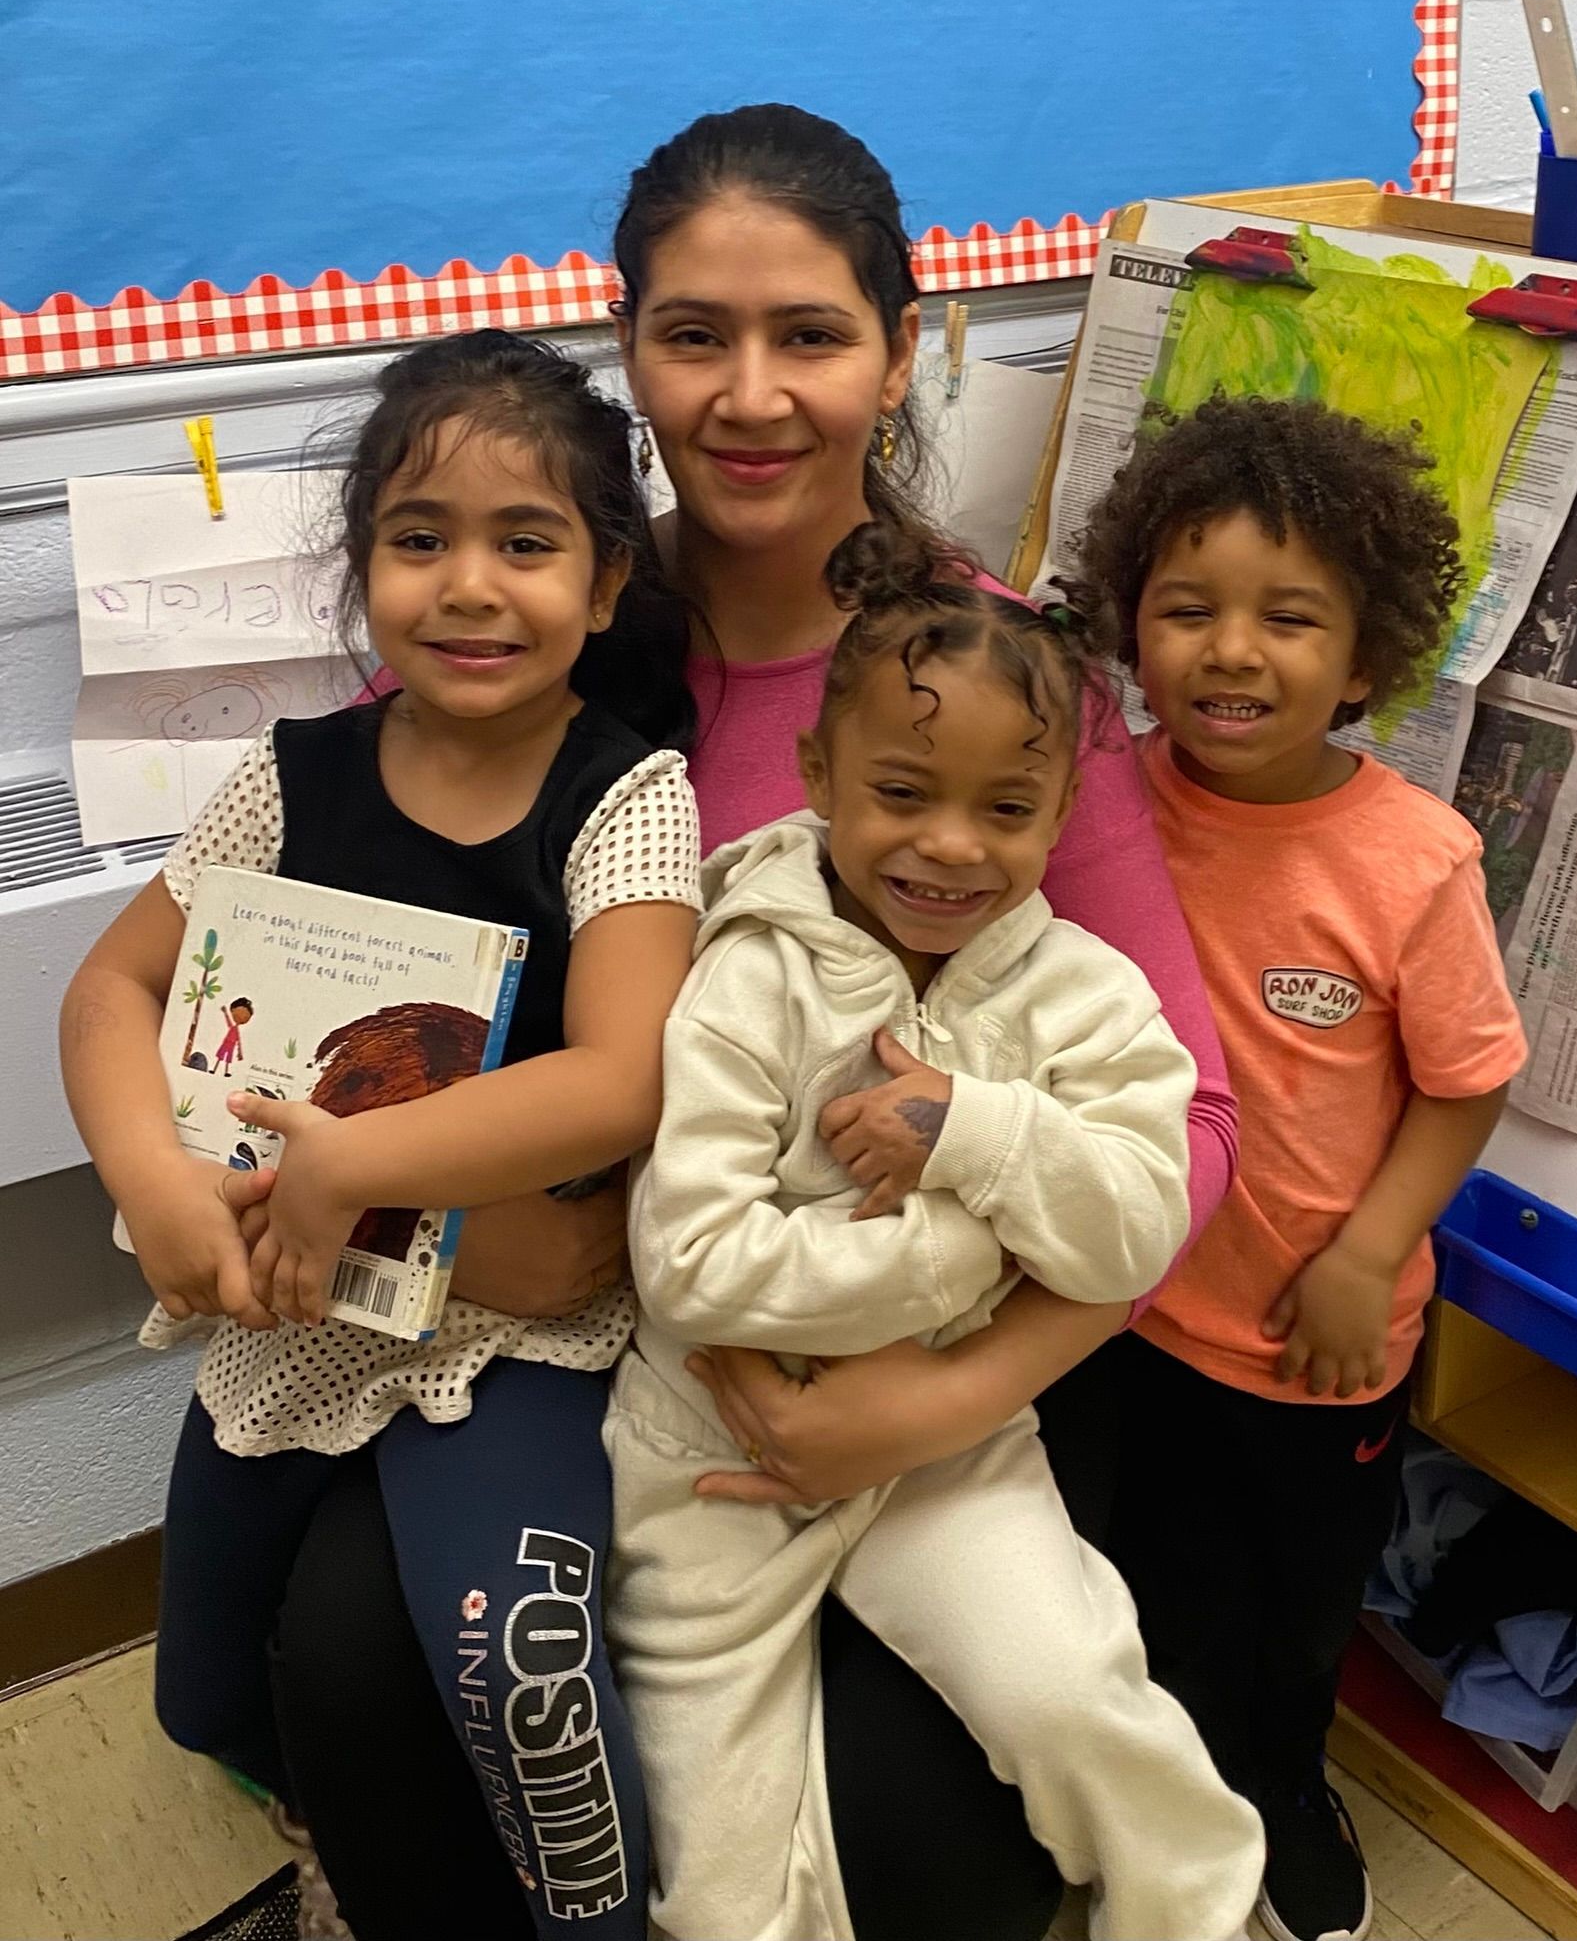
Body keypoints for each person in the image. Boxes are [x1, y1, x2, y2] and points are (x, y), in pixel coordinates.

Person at [229, 105, 1242, 1941]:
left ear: (903, 344)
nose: (750, 393)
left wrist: (934, 1397)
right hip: (558, 1332)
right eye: (693, 333)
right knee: (368, 1678)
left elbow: (1190, 1129)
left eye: (809, 335)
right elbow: (328, 1031)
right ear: (627, 347)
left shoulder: (996, 688)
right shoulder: (516, 620)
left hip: (923, 1360)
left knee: (929, 1836)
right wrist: (465, 1251)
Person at [59, 331, 703, 1941]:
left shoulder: (630, 800)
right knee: (202, 1692)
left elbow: (621, 1077)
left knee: (515, 1677)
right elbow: (110, 990)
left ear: (608, 582)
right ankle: (342, 1829)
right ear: (362, 574)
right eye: (419, 540)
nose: (469, 584)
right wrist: (154, 1179)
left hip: (513, 1335)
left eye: (526, 541)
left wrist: (355, 1166)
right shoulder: (290, 783)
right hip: (295, 1318)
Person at [607, 521, 1264, 1941]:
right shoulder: (743, 970)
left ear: (1054, 814)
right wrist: (959, 1257)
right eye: (902, 791)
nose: (950, 848)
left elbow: (1135, 1234)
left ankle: (1199, 1917)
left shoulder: (1079, 992)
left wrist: (973, 1129)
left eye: (1006, 812)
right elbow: (691, 1268)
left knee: (1076, 1697)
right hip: (709, 1458)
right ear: (818, 775)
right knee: (712, 1880)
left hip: (953, 1455)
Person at [1074, 395, 1528, 1941]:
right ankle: (1154, 1813)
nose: (1229, 651)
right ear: (1131, 617)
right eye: (1186, 608)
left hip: (1312, 1344)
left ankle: (1280, 1790)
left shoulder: (1413, 862)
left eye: (1287, 617)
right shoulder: (1097, 798)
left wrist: (1358, 1256)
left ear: (1363, 652)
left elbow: (1466, 1090)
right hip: (1118, 1320)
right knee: (1133, 1600)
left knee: (1286, 1627)